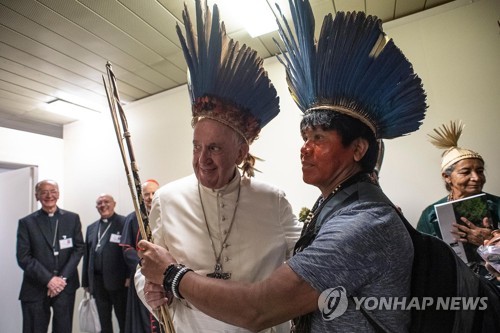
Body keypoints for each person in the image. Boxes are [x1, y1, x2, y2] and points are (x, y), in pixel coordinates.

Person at [138, 2, 427, 332]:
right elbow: (148, 266)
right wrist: (153, 284)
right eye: (305, 136)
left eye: (318, 137)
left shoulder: (358, 224)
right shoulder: (342, 212)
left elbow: (259, 308)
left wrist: (173, 275)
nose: (304, 149)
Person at [134, 1, 302, 332]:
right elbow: (147, 269)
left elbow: (307, 263)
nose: (201, 159)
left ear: (240, 152)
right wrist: (149, 289)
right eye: (196, 147)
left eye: (214, 148)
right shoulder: (167, 199)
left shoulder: (274, 200)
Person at [417, 120, 500, 281]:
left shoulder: (497, 205)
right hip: (454, 285)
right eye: (465, 172)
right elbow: (422, 258)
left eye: (480, 171)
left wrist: (490, 240)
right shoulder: (430, 215)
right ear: (447, 177)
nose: (476, 178)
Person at [16, 179, 85, 333]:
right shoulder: (27, 223)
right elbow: (23, 257)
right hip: (35, 286)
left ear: (58, 194)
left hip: (65, 286)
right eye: (44, 192)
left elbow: (79, 249)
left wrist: (61, 279)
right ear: (37, 196)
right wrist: (49, 280)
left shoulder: (72, 218)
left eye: (53, 191)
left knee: (63, 329)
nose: (49, 195)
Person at [82, 194, 128, 333]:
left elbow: (130, 250)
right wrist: (86, 282)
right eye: (99, 203)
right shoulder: (91, 228)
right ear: (96, 207)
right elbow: (87, 255)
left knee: (123, 320)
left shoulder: (124, 222)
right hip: (97, 283)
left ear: (114, 203)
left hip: (120, 282)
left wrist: (129, 276)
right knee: (102, 323)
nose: (103, 205)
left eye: (106, 202)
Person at [120, 180, 160, 333]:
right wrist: (144, 264)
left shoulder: (166, 214)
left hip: (164, 275)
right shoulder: (132, 218)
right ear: (140, 197)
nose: (150, 197)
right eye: (146, 194)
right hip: (141, 275)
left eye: (153, 193)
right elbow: (127, 248)